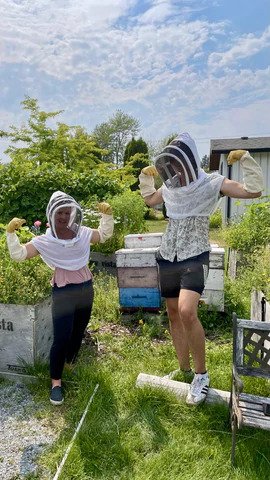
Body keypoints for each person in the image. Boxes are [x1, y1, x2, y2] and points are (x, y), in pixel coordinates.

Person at [139, 132, 263, 406]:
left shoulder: (211, 182)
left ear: (190, 160)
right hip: (168, 254)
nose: (175, 169)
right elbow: (150, 200)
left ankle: (201, 375)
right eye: (170, 164)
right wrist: (146, 179)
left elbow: (253, 191)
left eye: (178, 162)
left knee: (186, 311)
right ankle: (183, 369)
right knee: (173, 314)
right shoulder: (171, 187)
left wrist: (247, 161)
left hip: (195, 254)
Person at [6, 191, 114, 406]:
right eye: (59, 213)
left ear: (73, 213)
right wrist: (11, 234)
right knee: (61, 337)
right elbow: (18, 255)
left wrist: (107, 217)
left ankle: (70, 364)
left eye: (67, 212)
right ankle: (56, 383)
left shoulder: (82, 233)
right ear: (51, 215)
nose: (63, 217)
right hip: (63, 292)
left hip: (86, 288)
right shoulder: (45, 241)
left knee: (78, 331)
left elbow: (103, 235)